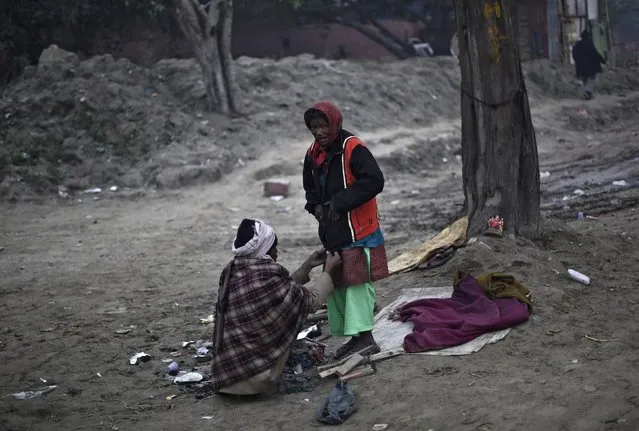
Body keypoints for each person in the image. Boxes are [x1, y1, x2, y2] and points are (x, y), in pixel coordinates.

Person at [210, 218, 342, 395]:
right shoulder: (266, 274)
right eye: (273, 248)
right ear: (263, 249)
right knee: (287, 319)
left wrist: (307, 266)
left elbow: (282, 291)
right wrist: (328, 272)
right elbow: (310, 302)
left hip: (225, 376)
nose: (277, 253)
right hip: (257, 380)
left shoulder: (233, 270)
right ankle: (268, 378)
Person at [302, 101, 389, 360]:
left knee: (358, 285)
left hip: (358, 230)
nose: (319, 132)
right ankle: (356, 338)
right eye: (314, 127)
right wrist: (316, 206)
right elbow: (309, 188)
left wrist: (339, 202)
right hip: (334, 232)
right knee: (340, 285)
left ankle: (366, 339)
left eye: (323, 125)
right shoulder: (313, 154)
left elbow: (374, 181)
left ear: (335, 123)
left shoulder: (353, 148)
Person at [572, 29, 606, 100]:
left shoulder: (577, 45)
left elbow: (574, 55)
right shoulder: (590, 45)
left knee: (585, 79)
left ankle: (587, 93)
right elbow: (595, 54)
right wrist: (603, 61)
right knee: (591, 79)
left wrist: (577, 62)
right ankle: (587, 92)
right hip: (590, 67)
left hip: (580, 67)